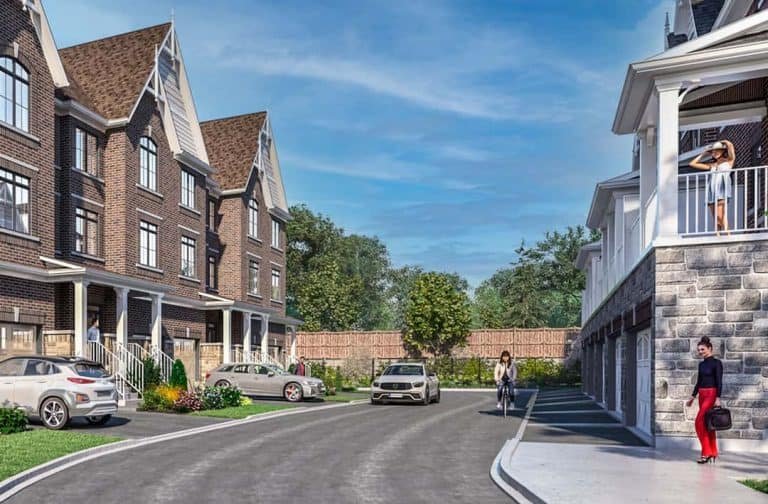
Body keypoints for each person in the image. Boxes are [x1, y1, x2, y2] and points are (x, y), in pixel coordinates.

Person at [685, 336, 723, 464]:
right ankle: (713, 452)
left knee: (699, 422)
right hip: (702, 394)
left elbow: (719, 381)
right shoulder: (701, 365)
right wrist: (692, 396)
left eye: (702, 349)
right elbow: (699, 381)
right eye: (699, 350)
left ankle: (706, 452)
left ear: (710, 348)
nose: (700, 352)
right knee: (708, 425)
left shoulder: (717, 363)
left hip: (711, 394)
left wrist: (718, 397)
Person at [690, 140, 735, 235]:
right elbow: (692, 164)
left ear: (723, 151)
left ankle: (728, 235)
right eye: (713, 152)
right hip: (711, 191)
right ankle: (718, 236)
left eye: (717, 151)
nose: (715, 153)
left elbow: (730, 145)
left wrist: (723, 141)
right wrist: (703, 154)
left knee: (721, 216)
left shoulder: (729, 161)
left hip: (722, 190)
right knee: (716, 218)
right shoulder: (712, 165)